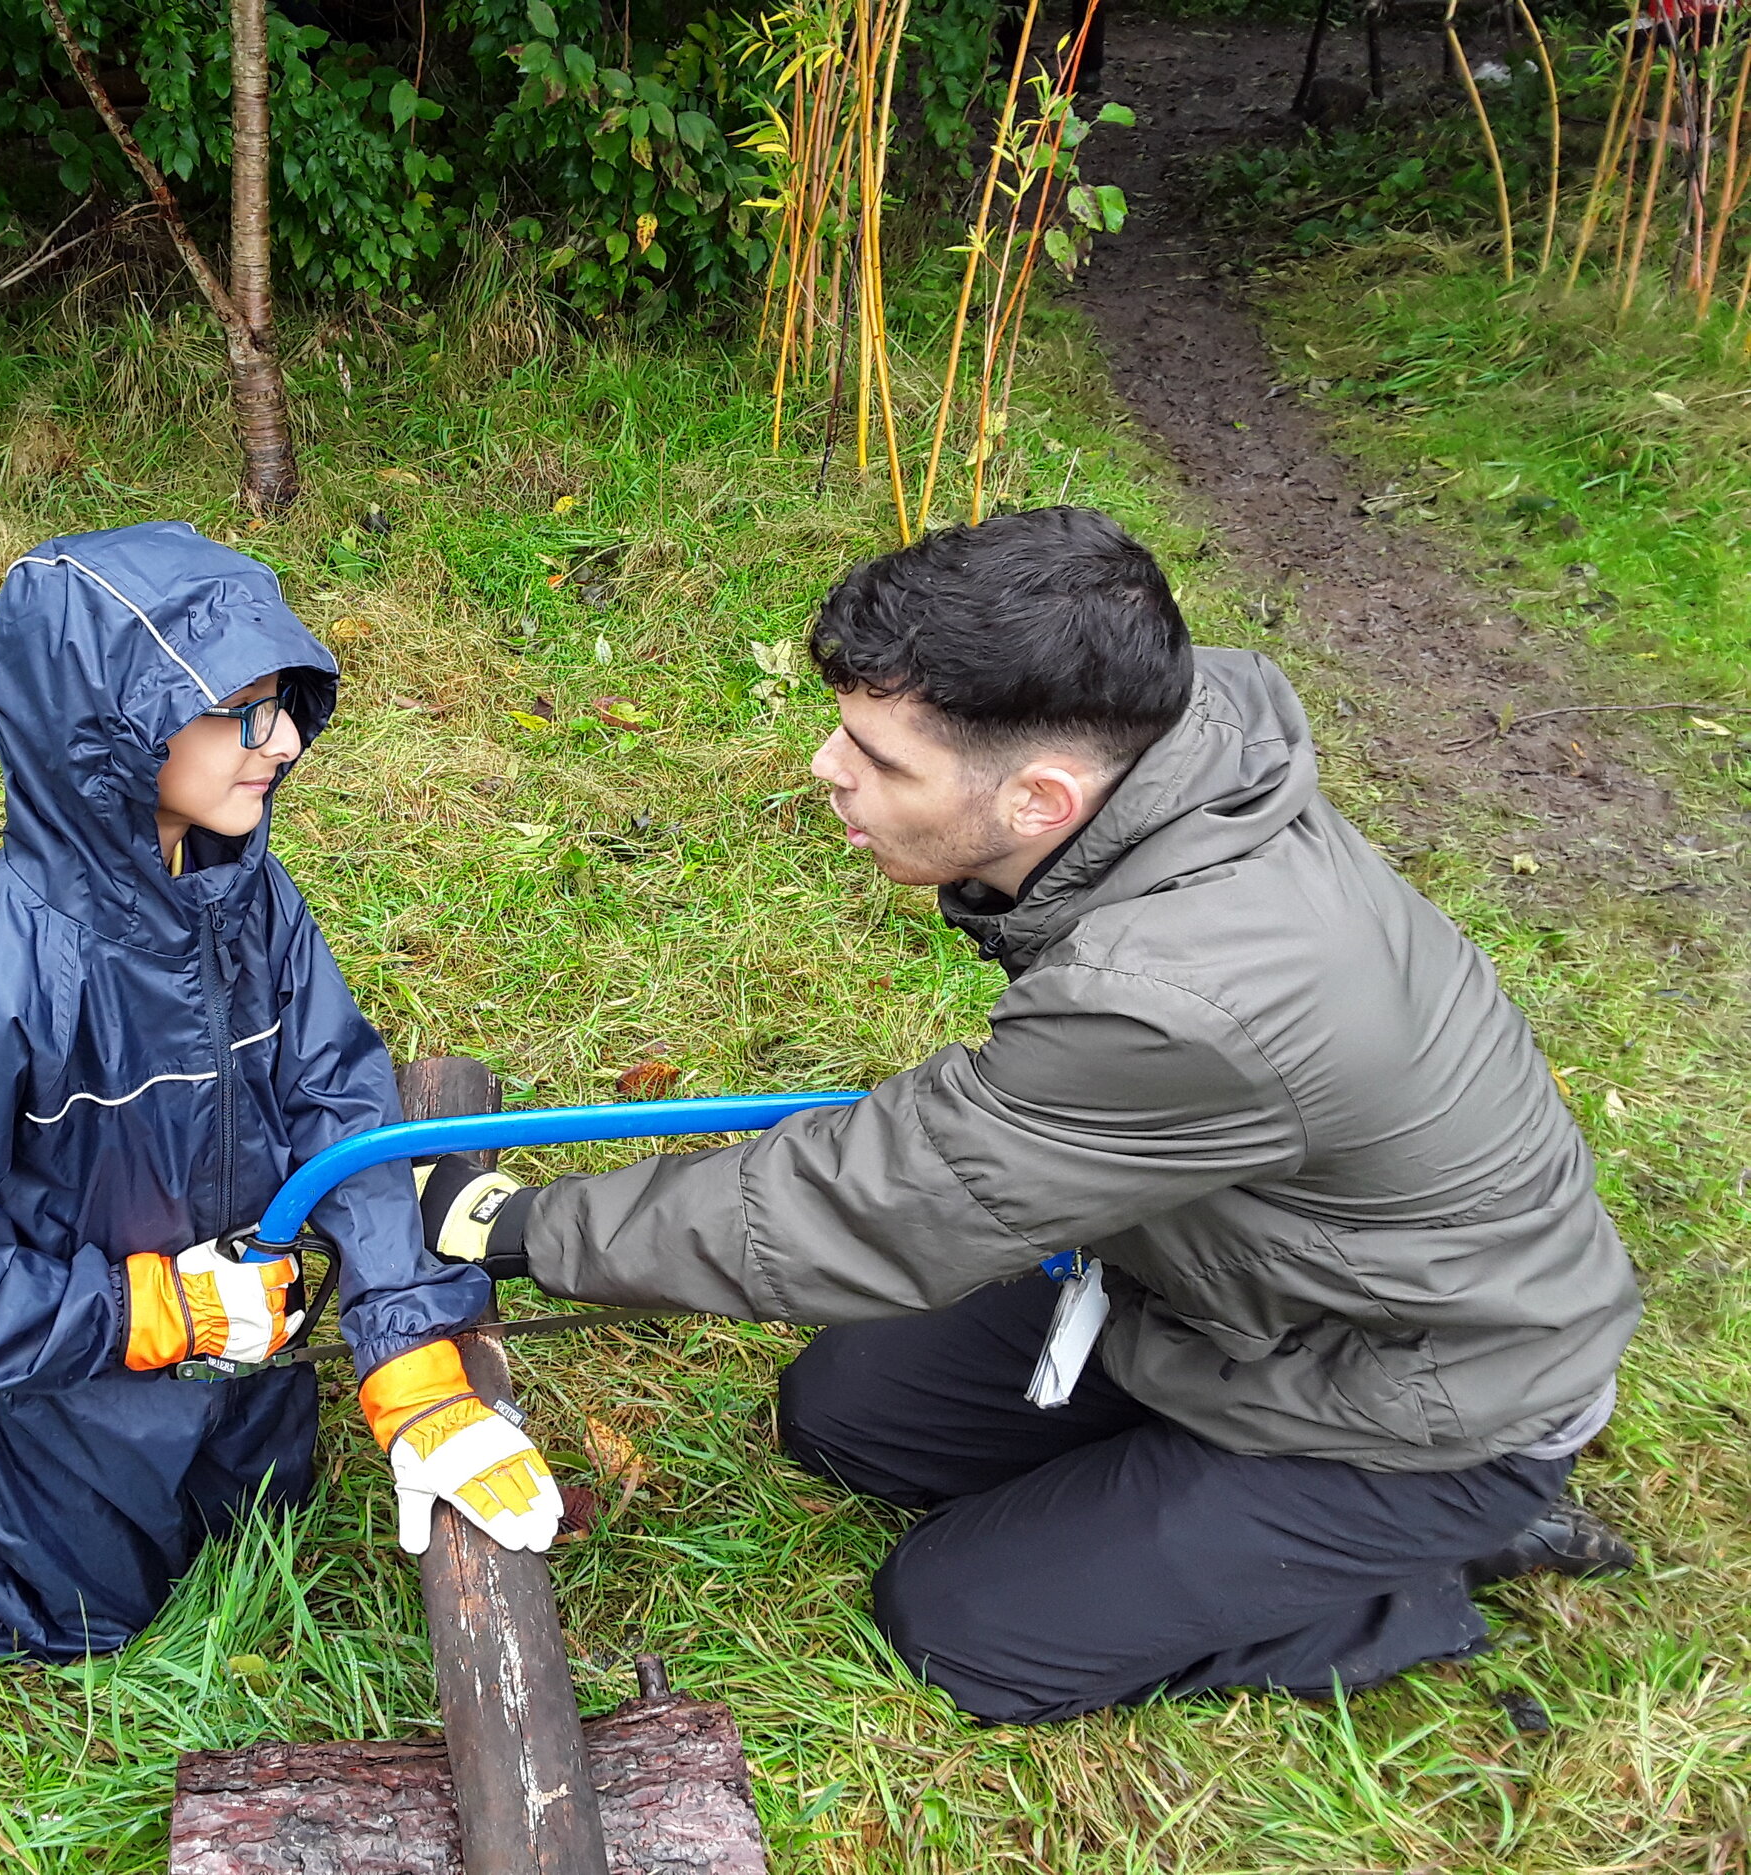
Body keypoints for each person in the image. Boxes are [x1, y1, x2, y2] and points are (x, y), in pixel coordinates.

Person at [417, 506, 1639, 1725]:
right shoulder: (1165, 750)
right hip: (1225, 1297)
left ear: (1040, 798)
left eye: (880, 758)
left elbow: (885, 1198)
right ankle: (1175, 1493)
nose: (826, 770)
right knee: (846, 1421)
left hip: (1405, 1387)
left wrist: (515, 1230)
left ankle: (1419, 1566)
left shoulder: (1180, 999)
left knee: (963, 1630)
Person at [0, 521, 560, 1655]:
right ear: (110, 734)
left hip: (237, 1331)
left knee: (256, 1526)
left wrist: (410, 1354)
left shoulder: (245, 893)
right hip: (66, 1353)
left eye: (283, 705)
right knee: (58, 1614)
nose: (278, 743)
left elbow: (341, 1104)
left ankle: (13, 1437)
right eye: (238, 712)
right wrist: (146, 1312)